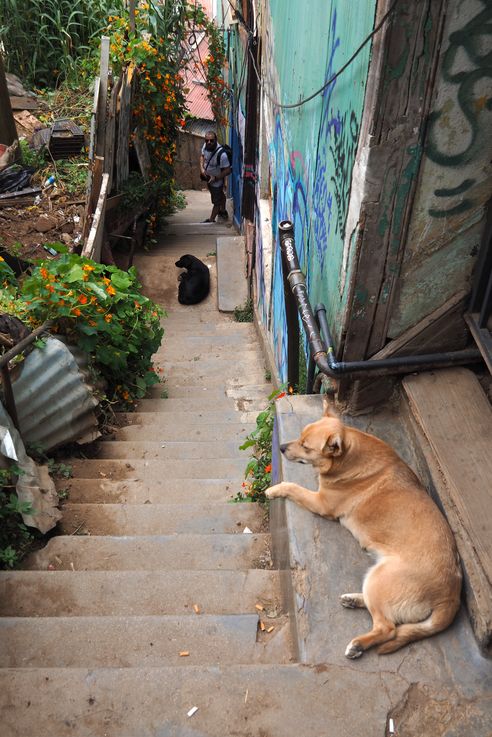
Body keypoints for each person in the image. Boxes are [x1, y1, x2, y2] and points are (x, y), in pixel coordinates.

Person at [200, 130, 231, 223]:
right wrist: (202, 169)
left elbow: (228, 170)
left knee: (216, 201)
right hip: (208, 179)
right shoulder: (205, 146)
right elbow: (202, 156)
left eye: (211, 140)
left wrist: (216, 178)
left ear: (216, 140)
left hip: (216, 182)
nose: (208, 142)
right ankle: (223, 211)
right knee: (220, 195)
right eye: (207, 140)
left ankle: (211, 219)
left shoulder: (222, 155)